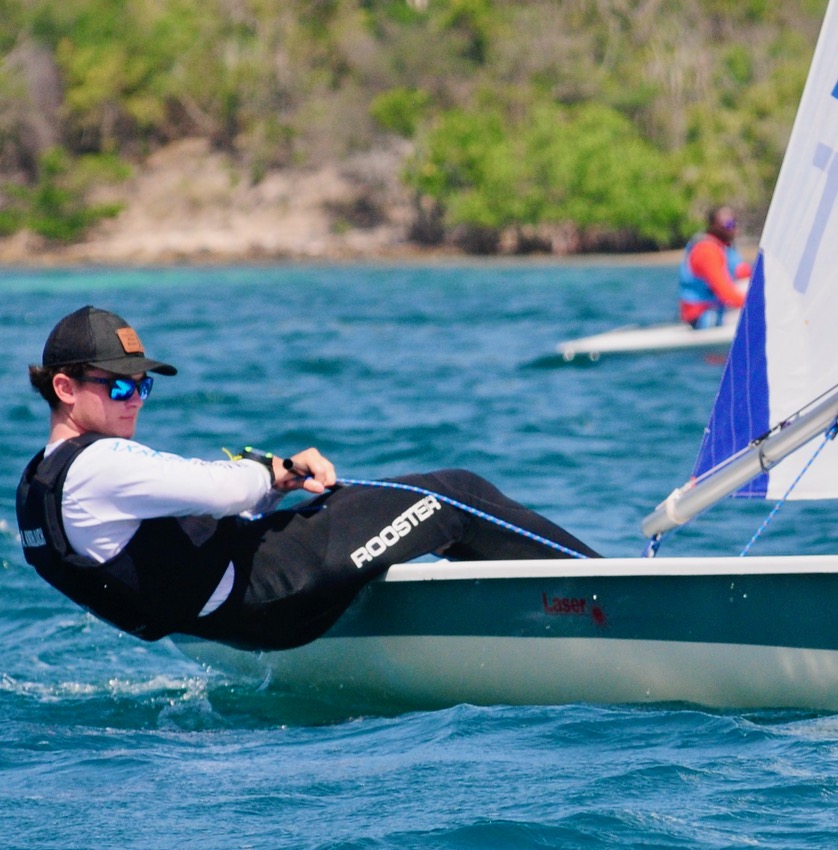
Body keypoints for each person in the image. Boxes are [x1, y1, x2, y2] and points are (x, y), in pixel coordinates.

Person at [16, 306, 599, 652]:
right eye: (119, 385)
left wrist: (277, 483)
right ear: (64, 388)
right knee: (451, 495)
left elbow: (176, 547)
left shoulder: (37, 486)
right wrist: (265, 468)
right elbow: (225, 490)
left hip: (238, 622)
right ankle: (605, 591)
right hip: (278, 584)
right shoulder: (101, 465)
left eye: (143, 385)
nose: (135, 400)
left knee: (387, 509)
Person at [677, 205, 752, 329]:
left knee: (752, 284)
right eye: (729, 224)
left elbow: (743, 273)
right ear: (714, 226)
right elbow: (725, 293)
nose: (734, 228)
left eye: (735, 223)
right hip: (702, 316)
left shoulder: (724, 248)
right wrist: (758, 305)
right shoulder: (707, 251)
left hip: (718, 308)